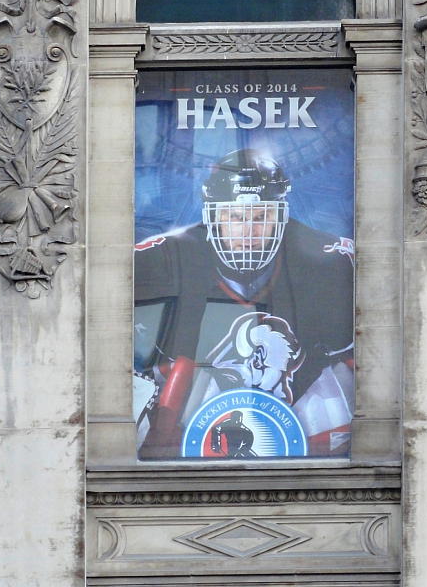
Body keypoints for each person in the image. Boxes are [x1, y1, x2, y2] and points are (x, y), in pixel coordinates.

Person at [133, 148, 354, 459]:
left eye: (262, 216)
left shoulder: (327, 263)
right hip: (189, 419)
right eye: (235, 217)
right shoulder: (162, 260)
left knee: (345, 379)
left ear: (282, 215)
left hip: (302, 419)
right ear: (213, 215)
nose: (248, 231)